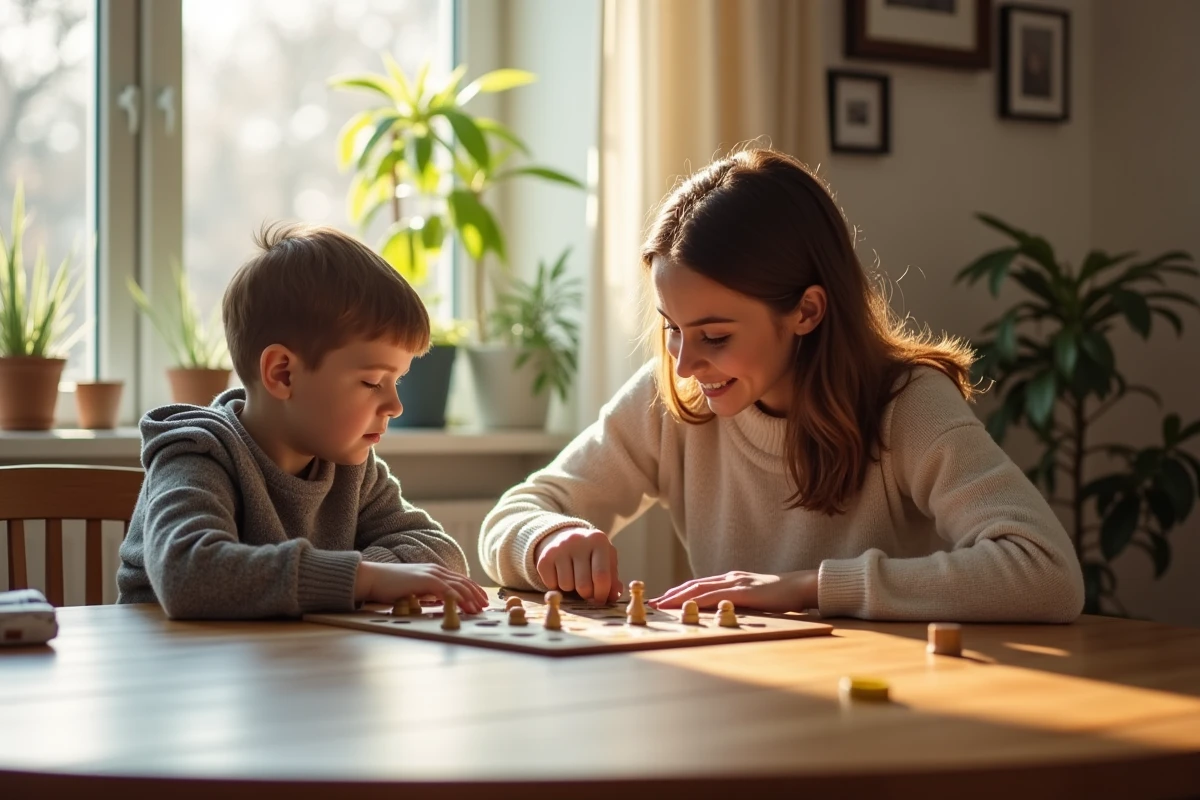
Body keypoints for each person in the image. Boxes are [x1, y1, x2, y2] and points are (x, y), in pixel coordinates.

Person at [479, 149, 1084, 622]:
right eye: (671, 329)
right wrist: (549, 537)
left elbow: (1047, 570)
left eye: (714, 336)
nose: (686, 363)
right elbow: (512, 515)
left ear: (807, 311)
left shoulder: (907, 403)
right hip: (743, 706)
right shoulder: (677, 399)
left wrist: (809, 588)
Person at [117, 223, 487, 619]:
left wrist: (361, 575)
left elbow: (438, 549)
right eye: (372, 381)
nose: (395, 405)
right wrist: (364, 579)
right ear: (283, 374)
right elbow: (188, 573)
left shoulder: (352, 467)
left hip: (288, 665)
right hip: (175, 669)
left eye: (397, 381)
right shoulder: (197, 450)